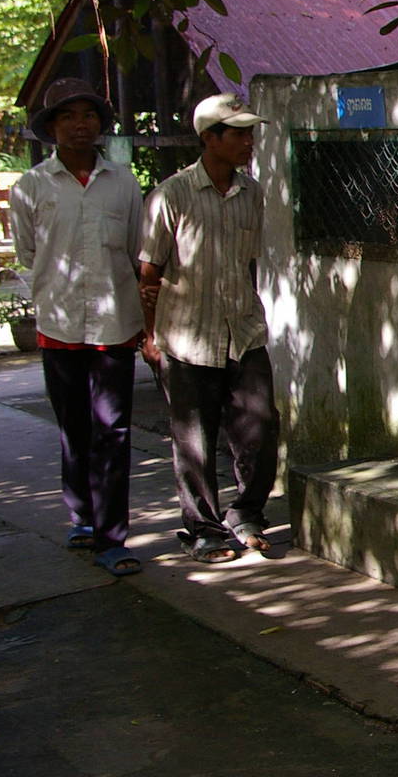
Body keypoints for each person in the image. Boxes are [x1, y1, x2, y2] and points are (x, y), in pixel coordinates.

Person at [8, 78, 146, 576]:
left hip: (114, 321)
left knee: (114, 428)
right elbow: (27, 253)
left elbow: (133, 249)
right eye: (68, 116)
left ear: (99, 125)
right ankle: (82, 517)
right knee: (74, 427)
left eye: (87, 115)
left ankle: (113, 539)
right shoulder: (32, 187)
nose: (79, 124)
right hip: (59, 322)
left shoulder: (124, 183)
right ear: (51, 128)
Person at [139, 92, 279, 563]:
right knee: (194, 440)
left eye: (250, 133)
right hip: (186, 335)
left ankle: (248, 514)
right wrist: (149, 338)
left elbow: (250, 264)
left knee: (259, 427)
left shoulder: (252, 193)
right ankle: (203, 529)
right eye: (238, 133)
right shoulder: (171, 195)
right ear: (209, 139)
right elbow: (149, 273)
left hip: (243, 332)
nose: (248, 142)